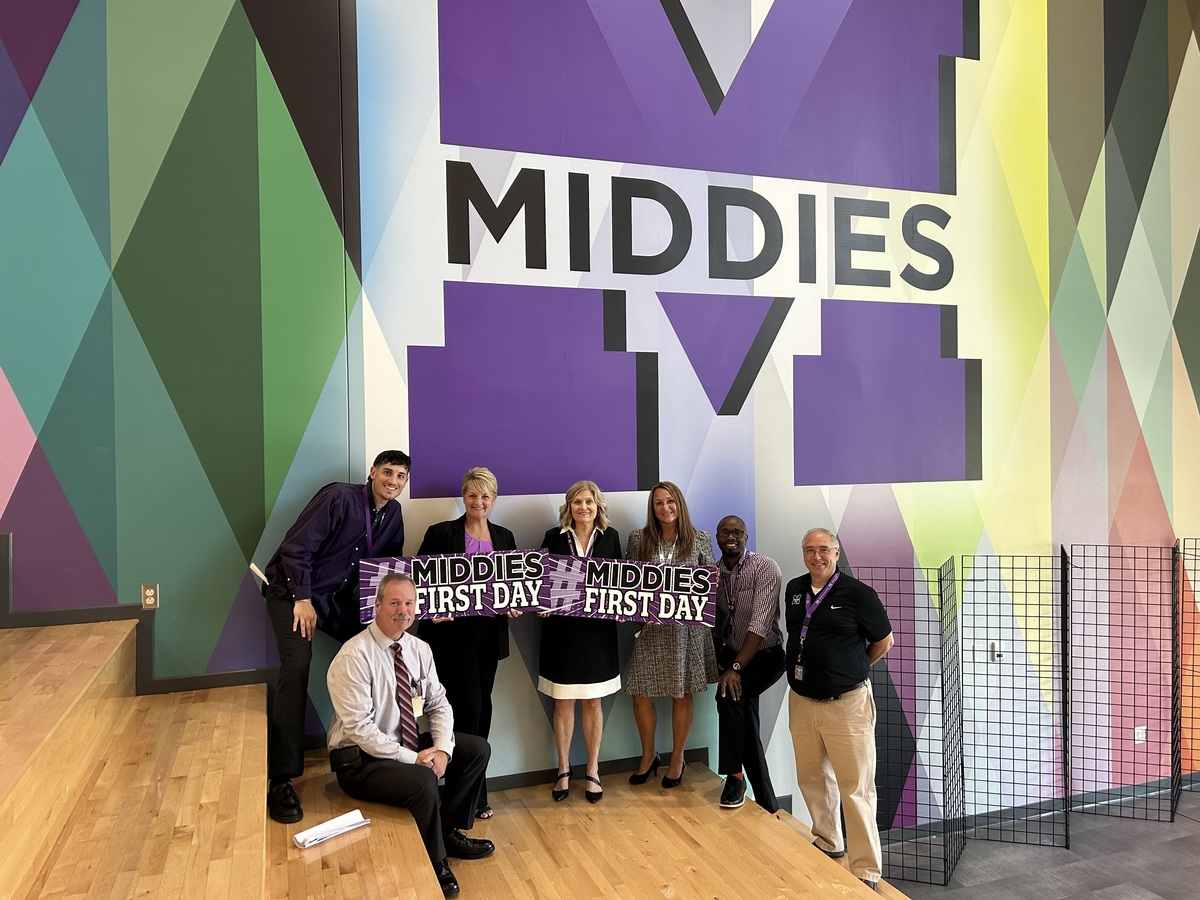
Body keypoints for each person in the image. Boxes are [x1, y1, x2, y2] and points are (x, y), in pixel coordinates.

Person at [263, 449, 410, 824]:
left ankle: (370, 754)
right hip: (293, 592)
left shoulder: (393, 513)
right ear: (372, 472)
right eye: (388, 472)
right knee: (297, 665)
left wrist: (391, 617)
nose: (393, 481)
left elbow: (385, 571)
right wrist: (301, 599)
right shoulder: (338, 498)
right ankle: (282, 779)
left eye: (401, 476)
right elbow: (296, 548)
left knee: (380, 652)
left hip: (337, 602)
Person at [327, 574, 493, 898]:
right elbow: (361, 729)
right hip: (359, 761)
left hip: (407, 742)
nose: (402, 610)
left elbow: (439, 704)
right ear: (376, 605)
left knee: (476, 750)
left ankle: (448, 832)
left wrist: (442, 750)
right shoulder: (353, 656)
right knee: (423, 781)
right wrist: (414, 758)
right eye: (394, 602)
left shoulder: (419, 649)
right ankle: (436, 860)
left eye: (408, 603)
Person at [785, 528, 894, 892]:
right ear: (803, 554)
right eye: (810, 550)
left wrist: (852, 669)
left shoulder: (859, 595)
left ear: (836, 553)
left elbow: (883, 641)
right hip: (801, 701)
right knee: (812, 777)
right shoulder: (795, 590)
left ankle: (865, 869)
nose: (817, 557)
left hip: (847, 706)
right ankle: (828, 841)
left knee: (856, 787)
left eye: (824, 550)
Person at [416, 467, 519, 819]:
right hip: (451, 638)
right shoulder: (440, 533)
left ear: (494, 499)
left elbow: (513, 584)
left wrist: (515, 604)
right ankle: (464, 795)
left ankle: (474, 789)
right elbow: (420, 583)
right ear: (463, 496)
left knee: (483, 710)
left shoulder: (505, 536)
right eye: (473, 495)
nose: (479, 502)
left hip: (489, 637)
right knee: (465, 710)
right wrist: (430, 612)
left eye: (485, 496)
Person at [624, 481, 718, 788]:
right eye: (658, 503)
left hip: (685, 634)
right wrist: (641, 610)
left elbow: (710, 589)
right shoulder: (638, 539)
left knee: (682, 694)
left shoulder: (700, 539)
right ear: (652, 509)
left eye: (669, 501)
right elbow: (628, 583)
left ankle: (677, 758)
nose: (665, 508)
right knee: (640, 694)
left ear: (679, 503)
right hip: (650, 632)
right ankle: (648, 755)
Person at [537, 480, 622, 803]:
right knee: (562, 702)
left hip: (598, 635)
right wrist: (540, 604)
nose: (583, 507)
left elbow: (621, 581)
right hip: (561, 633)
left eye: (588, 502)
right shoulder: (553, 537)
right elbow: (539, 581)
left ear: (597, 505)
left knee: (593, 701)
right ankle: (562, 769)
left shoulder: (610, 537)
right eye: (577, 502)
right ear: (568, 507)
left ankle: (593, 769)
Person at [712, 515, 785, 813]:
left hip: (765, 656)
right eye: (725, 532)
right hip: (732, 657)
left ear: (746, 537)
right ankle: (769, 806)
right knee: (747, 730)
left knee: (729, 696)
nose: (731, 537)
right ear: (717, 537)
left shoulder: (765, 567)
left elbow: (760, 623)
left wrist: (736, 669)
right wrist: (722, 664)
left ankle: (734, 776)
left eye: (737, 532)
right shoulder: (712, 574)